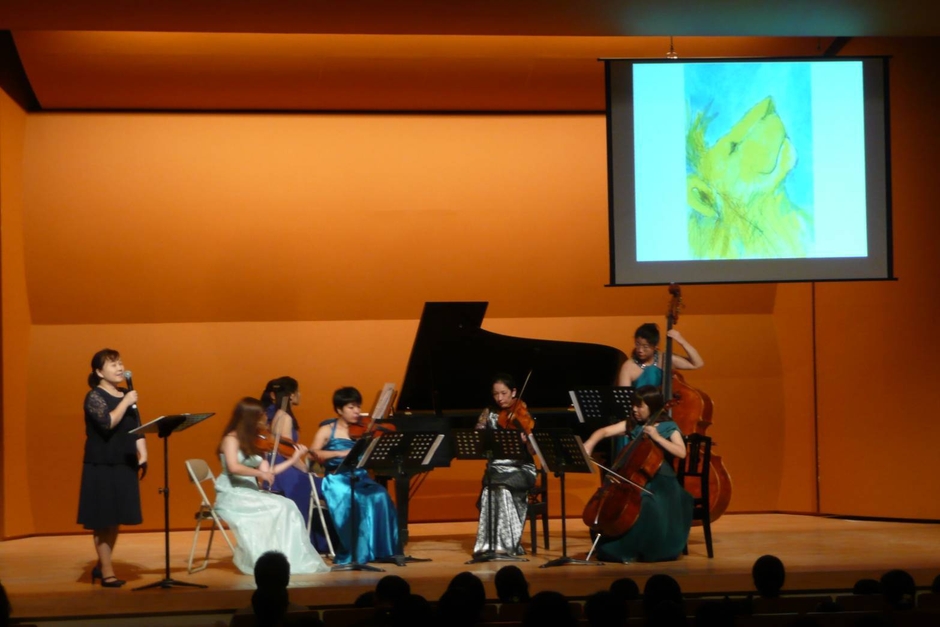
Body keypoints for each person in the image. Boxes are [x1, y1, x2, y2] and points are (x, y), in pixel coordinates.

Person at [213, 398, 330, 576]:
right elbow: (233, 467)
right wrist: (260, 474)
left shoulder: (254, 441)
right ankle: (262, 559)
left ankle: (286, 558)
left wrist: (293, 458)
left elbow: (269, 471)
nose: (265, 419)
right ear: (249, 417)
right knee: (277, 507)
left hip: (250, 492)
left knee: (288, 505)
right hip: (232, 492)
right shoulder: (231, 439)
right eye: (261, 416)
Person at [582, 386, 693, 563]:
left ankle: (646, 548)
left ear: (652, 405)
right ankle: (617, 547)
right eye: (633, 405)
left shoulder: (668, 426)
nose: (634, 409)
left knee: (646, 504)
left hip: (662, 481)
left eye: (639, 406)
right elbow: (604, 431)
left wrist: (657, 437)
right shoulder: (633, 424)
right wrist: (590, 443)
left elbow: (681, 452)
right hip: (636, 479)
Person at [77, 348, 148, 588]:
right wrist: (126, 402)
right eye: (113, 364)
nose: (119, 368)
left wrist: (143, 453)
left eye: (120, 363)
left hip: (124, 462)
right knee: (103, 519)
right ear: (99, 372)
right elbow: (107, 423)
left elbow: (137, 426)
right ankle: (107, 572)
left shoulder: (127, 394)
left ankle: (102, 565)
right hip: (102, 464)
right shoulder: (94, 397)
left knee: (116, 518)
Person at [311, 387, 400, 564]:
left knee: (381, 495)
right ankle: (357, 552)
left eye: (358, 407)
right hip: (336, 478)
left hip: (360, 476)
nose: (357, 411)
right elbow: (313, 453)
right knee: (356, 498)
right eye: (351, 407)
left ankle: (381, 550)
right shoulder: (327, 430)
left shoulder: (364, 430)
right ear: (339, 410)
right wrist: (340, 453)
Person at [260, 376, 335, 554]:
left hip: (277, 468)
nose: (300, 395)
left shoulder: (270, 414)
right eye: (298, 391)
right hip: (286, 472)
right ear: (292, 395)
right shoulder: (284, 417)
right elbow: (287, 452)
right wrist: (307, 470)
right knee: (328, 486)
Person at [472, 374, 537, 557]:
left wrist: (527, 440)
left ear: (514, 392)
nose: (499, 398)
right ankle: (488, 544)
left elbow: (533, 452)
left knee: (501, 488)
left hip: (521, 468)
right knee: (490, 489)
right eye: (495, 394)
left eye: (504, 393)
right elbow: (477, 439)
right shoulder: (488, 413)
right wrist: (480, 436)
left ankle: (507, 544)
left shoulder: (523, 413)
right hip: (495, 469)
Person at [618, 323, 704, 389]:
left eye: (645, 346)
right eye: (637, 344)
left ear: (655, 346)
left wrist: (681, 340)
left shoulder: (665, 359)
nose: (640, 350)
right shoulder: (628, 366)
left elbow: (698, 364)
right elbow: (625, 398)